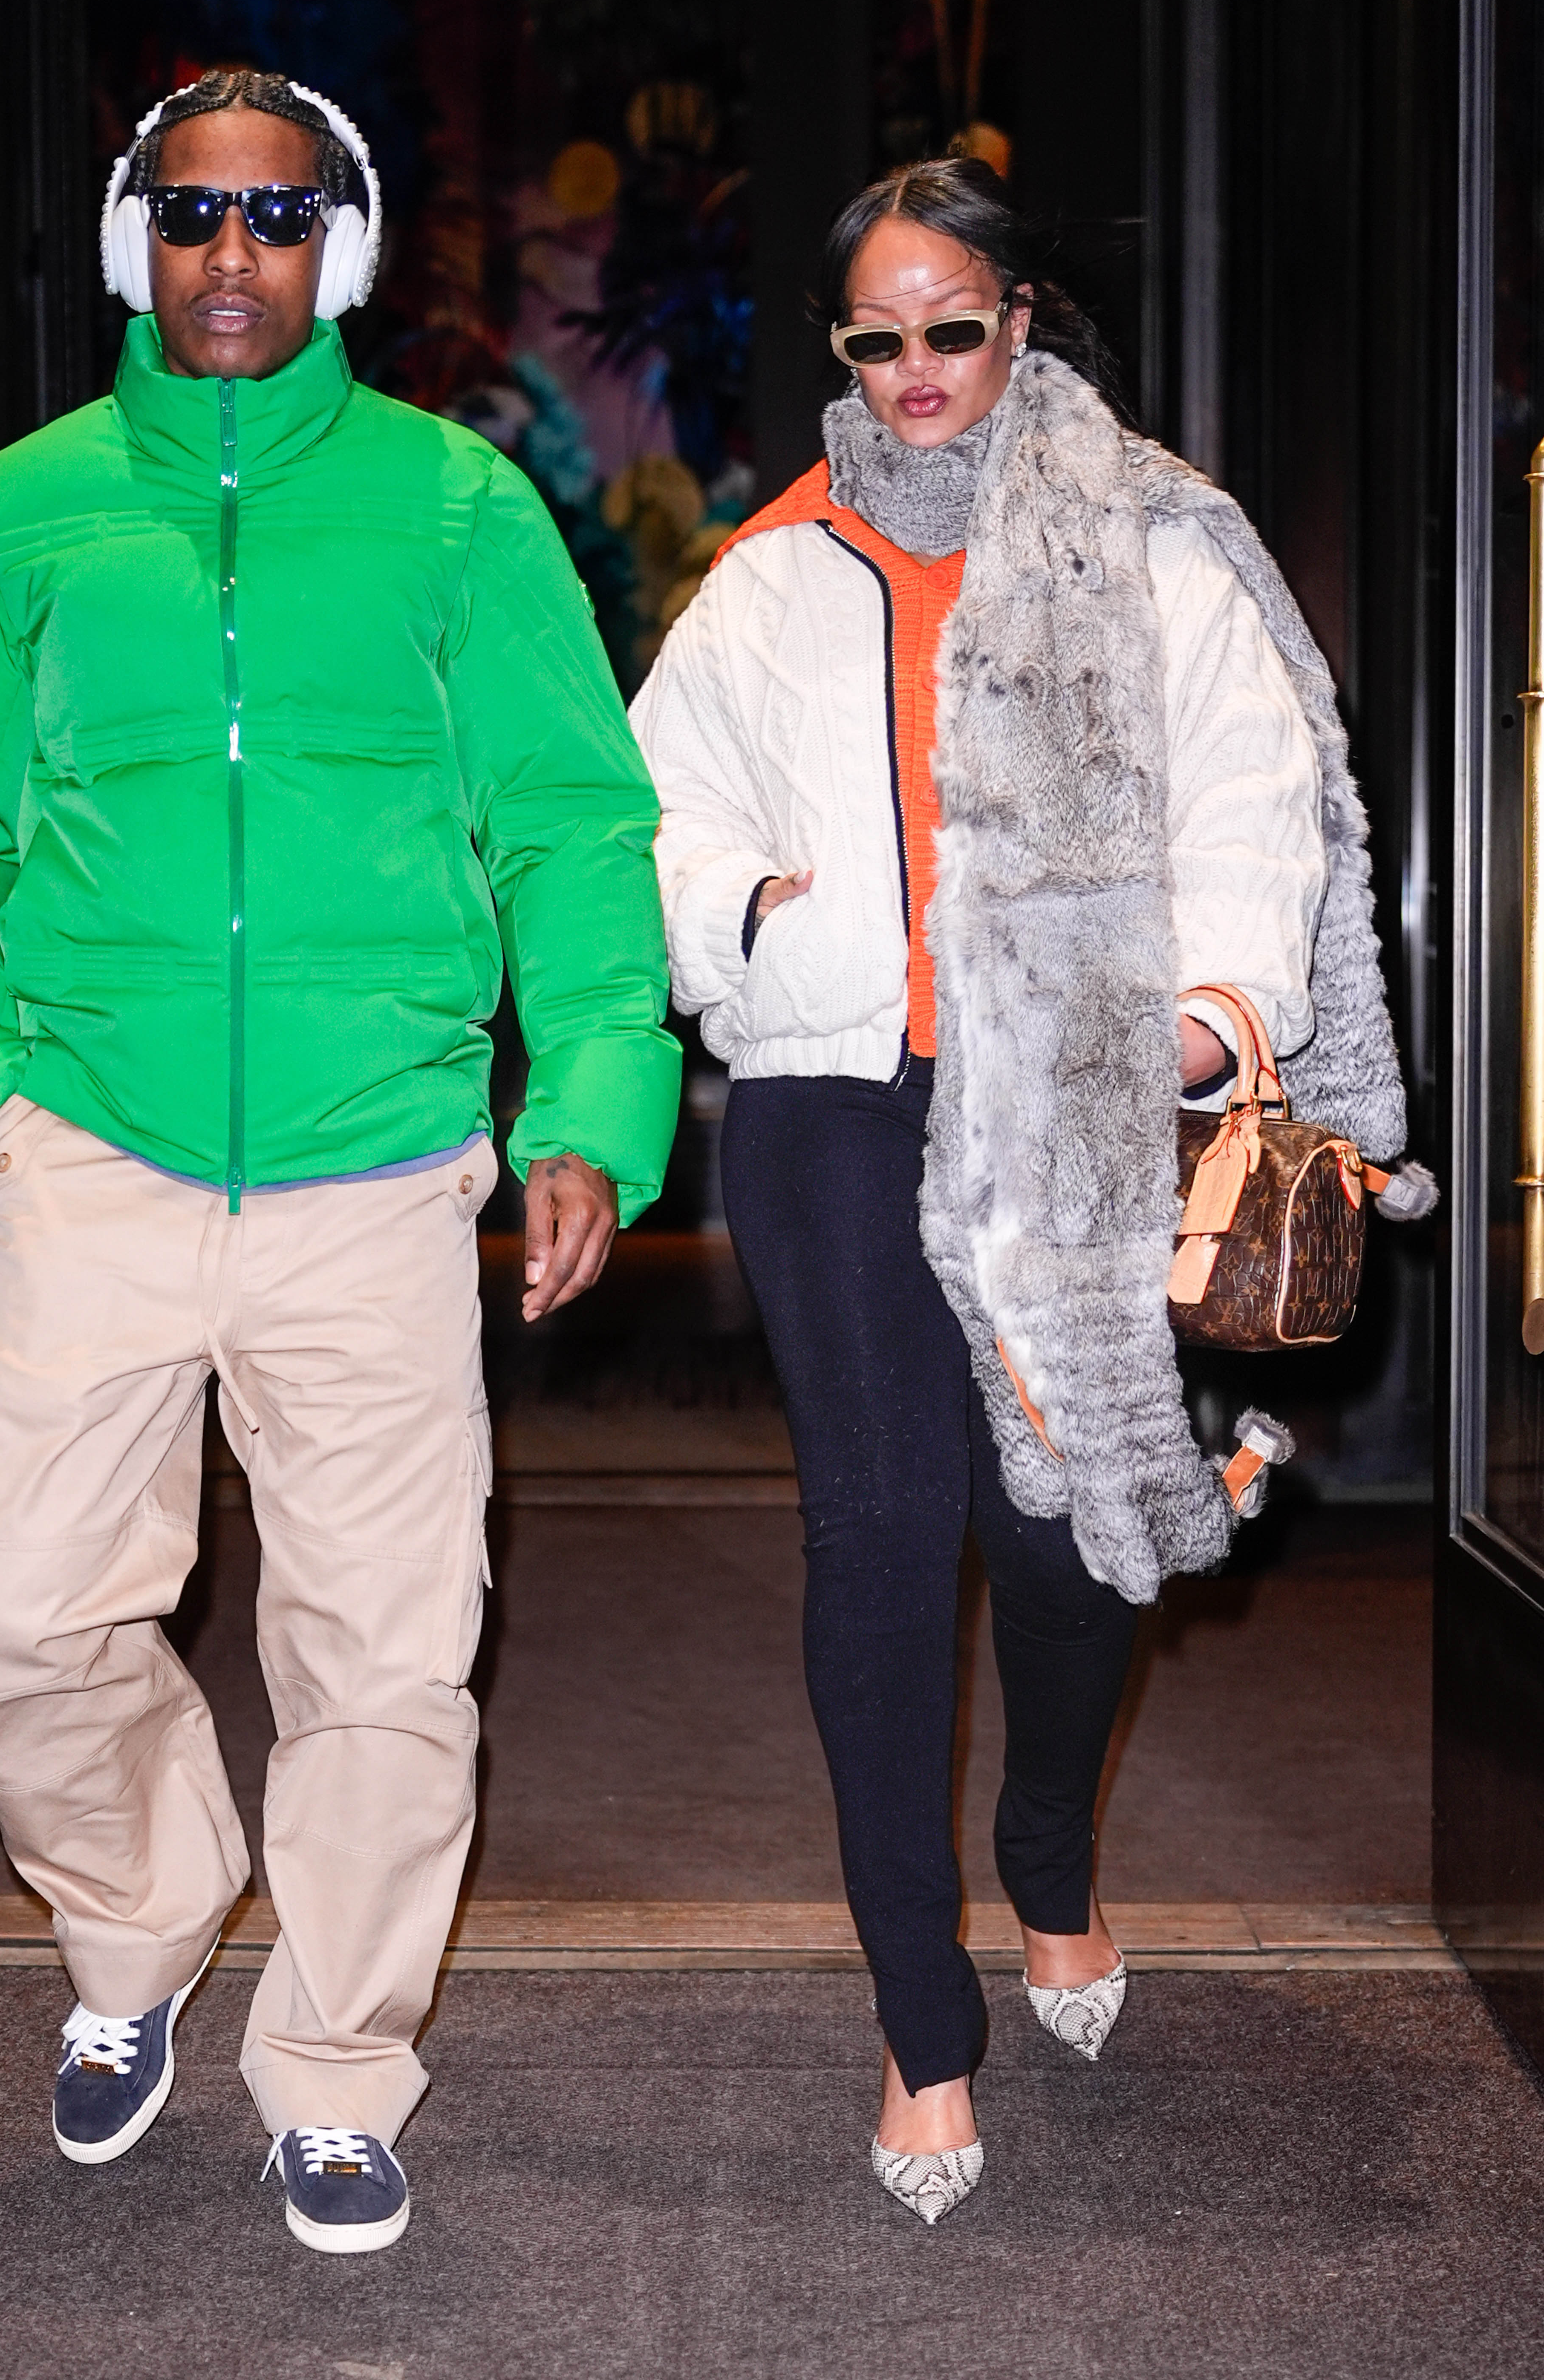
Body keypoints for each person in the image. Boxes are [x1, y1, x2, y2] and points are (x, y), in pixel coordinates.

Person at [0, 67, 678, 2254]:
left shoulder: (454, 512)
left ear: (346, 248)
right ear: (137, 239)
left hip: (380, 1165)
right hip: (92, 1160)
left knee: (389, 1664)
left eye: (283, 218)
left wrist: (592, 1105)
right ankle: (143, 1925)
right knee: (15, 1624)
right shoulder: (8, 518)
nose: (238, 254)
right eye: (198, 215)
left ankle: (330, 2059)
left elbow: (573, 827)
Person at [628, 157, 1423, 2224]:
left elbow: (1260, 787)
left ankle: (1047, 1856)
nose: (909, 371)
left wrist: (1209, 1013)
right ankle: (919, 2017)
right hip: (829, 1101)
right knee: (877, 1537)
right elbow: (651, 809)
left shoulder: (1150, 536)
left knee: (1063, 1531)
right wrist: (749, 913)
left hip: (1070, 1097)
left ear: (1020, 321)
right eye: (869, 338)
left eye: (947, 328)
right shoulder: (770, 568)